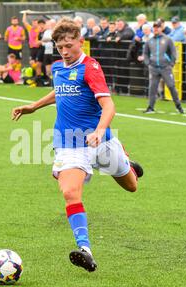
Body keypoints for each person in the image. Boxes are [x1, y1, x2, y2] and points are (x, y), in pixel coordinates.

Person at [11, 18, 143, 272]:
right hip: (69, 144)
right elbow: (59, 91)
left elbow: (109, 105)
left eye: (69, 45)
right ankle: (85, 250)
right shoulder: (59, 68)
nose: (64, 50)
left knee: (132, 187)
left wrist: (99, 130)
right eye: (60, 46)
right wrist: (33, 106)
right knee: (70, 191)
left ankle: (128, 163)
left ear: (80, 42)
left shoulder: (90, 67)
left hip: (100, 140)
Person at [142, 21, 185, 114]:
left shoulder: (167, 39)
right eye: (155, 27)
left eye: (158, 27)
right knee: (152, 88)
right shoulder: (150, 41)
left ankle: (179, 106)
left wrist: (171, 64)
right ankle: (150, 107)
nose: (156, 29)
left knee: (171, 86)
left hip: (165, 67)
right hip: (153, 68)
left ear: (161, 28)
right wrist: (148, 62)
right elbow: (145, 53)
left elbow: (174, 53)